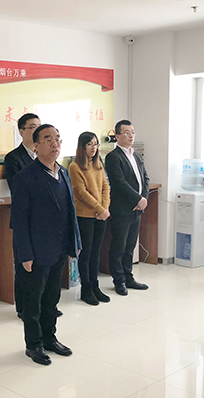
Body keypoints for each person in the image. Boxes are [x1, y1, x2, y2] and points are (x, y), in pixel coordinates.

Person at [11, 124, 81, 365]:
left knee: (52, 299)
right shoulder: (25, 177)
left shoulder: (63, 173)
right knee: (33, 302)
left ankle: (50, 338)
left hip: (59, 247)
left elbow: (71, 210)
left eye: (58, 139)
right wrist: (24, 254)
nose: (54, 143)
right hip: (36, 250)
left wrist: (75, 242)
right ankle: (34, 345)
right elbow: (19, 220)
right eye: (48, 139)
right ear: (36, 145)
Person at [4, 113, 63, 318]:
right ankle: (24, 308)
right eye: (32, 127)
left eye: (38, 125)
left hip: (50, 230)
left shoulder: (58, 167)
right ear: (22, 132)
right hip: (29, 223)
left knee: (48, 276)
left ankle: (47, 310)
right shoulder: (14, 158)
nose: (36, 129)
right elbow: (18, 191)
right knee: (26, 270)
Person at [105, 119, 150, 296]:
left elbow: (145, 178)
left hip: (137, 208)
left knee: (130, 245)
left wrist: (143, 198)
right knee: (119, 246)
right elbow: (119, 183)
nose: (131, 135)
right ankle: (119, 280)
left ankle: (128, 277)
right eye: (126, 132)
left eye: (132, 132)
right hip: (122, 209)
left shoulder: (136, 155)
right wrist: (137, 199)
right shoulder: (113, 157)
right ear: (117, 136)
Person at [69, 132, 111, 305]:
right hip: (85, 216)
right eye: (89, 144)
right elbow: (81, 192)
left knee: (96, 253)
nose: (93, 148)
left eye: (95, 144)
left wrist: (105, 209)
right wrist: (100, 209)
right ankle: (86, 289)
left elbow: (105, 187)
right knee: (86, 254)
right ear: (82, 147)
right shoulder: (75, 166)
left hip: (101, 216)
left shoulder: (98, 163)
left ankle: (95, 287)